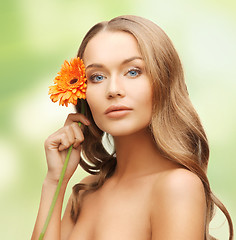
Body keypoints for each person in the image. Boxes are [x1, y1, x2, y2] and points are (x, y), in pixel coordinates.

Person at [31, 15, 233, 240]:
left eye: (133, 72)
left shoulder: (177, 187)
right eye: (97, 77)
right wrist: (54, 182)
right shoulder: (86, 190)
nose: (113, 89)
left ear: (163, 81)